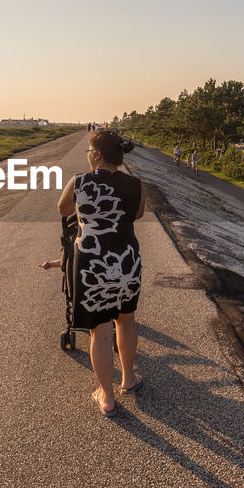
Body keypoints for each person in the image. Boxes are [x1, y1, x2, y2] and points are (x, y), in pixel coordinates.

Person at [57, 129, 145, 417]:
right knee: (126, 321)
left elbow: (63, 208)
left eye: (88, 150)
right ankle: (128, 378)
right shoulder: (135, 184)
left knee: (100, 332)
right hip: (127, 262)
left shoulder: (80, 181)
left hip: (91, 266)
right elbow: (138, 214)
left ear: (96, 154)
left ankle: (106, 396)